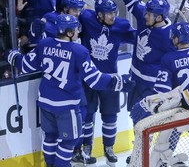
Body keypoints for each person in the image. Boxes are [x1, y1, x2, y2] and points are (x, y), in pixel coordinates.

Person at [6, 14, 134, 167]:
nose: (78, 31)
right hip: (67, 107)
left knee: (50, 137)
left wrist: (11, 55)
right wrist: (119, 82)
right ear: (68, 32)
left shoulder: (44, 44)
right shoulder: (79, 51)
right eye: (75, 29)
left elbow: (25, 65)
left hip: (45, 102)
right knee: (68, 142)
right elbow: (95, 80)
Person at [71, 0, 136, 165]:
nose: (112, 16)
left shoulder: (120, 25)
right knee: (87, 115)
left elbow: (138, 38)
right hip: (88, 79)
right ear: (99, 14)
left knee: (110, 115)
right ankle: (87, 147)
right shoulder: (86, 18)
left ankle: (109, 148)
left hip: (110, 79)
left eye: (114, 12)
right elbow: (72, 12)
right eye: (108, 14)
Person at [107, 0, 176, 112]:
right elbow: (133, 2)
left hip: (153, 86)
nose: (145, 16)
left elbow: (174, 62)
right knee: (134, 116)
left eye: (149, 14)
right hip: (135, 80)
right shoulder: (146, 17)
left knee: (152, 121)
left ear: (159, 17)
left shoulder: (169, 36)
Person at [152, 22, 189, 166]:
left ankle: (163, 163)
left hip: (179, 110)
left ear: (177, 39)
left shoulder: (168, 58)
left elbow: (162, 91)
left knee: (166, 144)